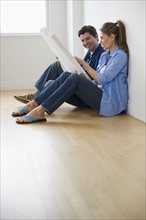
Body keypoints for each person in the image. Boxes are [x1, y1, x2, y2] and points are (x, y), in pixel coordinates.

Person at [12, 20, 129, 124]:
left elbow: (103, 78)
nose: (101, 41)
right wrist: (85, 79)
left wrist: (83, 64)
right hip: (98, 94)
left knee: (73, 78)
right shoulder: (105, 55)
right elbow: (98, 82)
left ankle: (39, 110)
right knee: (67, 75)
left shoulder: (120, 57)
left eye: (102, 37)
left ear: (112, 37)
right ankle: (33, 104)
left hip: (109, 103)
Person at [14, 25, 104, 104]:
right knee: (56, 65)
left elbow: (97, 79)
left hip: (88, 92)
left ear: (96, 37)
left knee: (50, 84)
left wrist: (81, 69)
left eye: (88, 38)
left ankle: (36, 100)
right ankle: (35, 96)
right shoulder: (89, 53)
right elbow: (80, 70)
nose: (85, 43)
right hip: (80, 81)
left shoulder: (102, 55)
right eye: (83, 41)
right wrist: (64, 59)